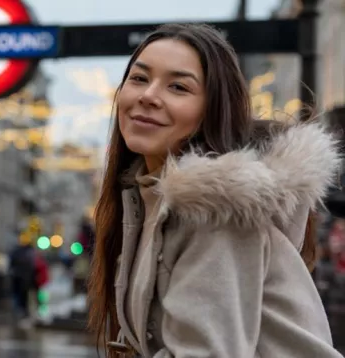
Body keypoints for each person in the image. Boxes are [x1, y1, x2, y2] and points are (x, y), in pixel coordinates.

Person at [87, 23, 344, 358]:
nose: (148, 96)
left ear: (212, 109)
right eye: (139, 78)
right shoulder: (146, 196)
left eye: (178, 87)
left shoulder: (216, 210)